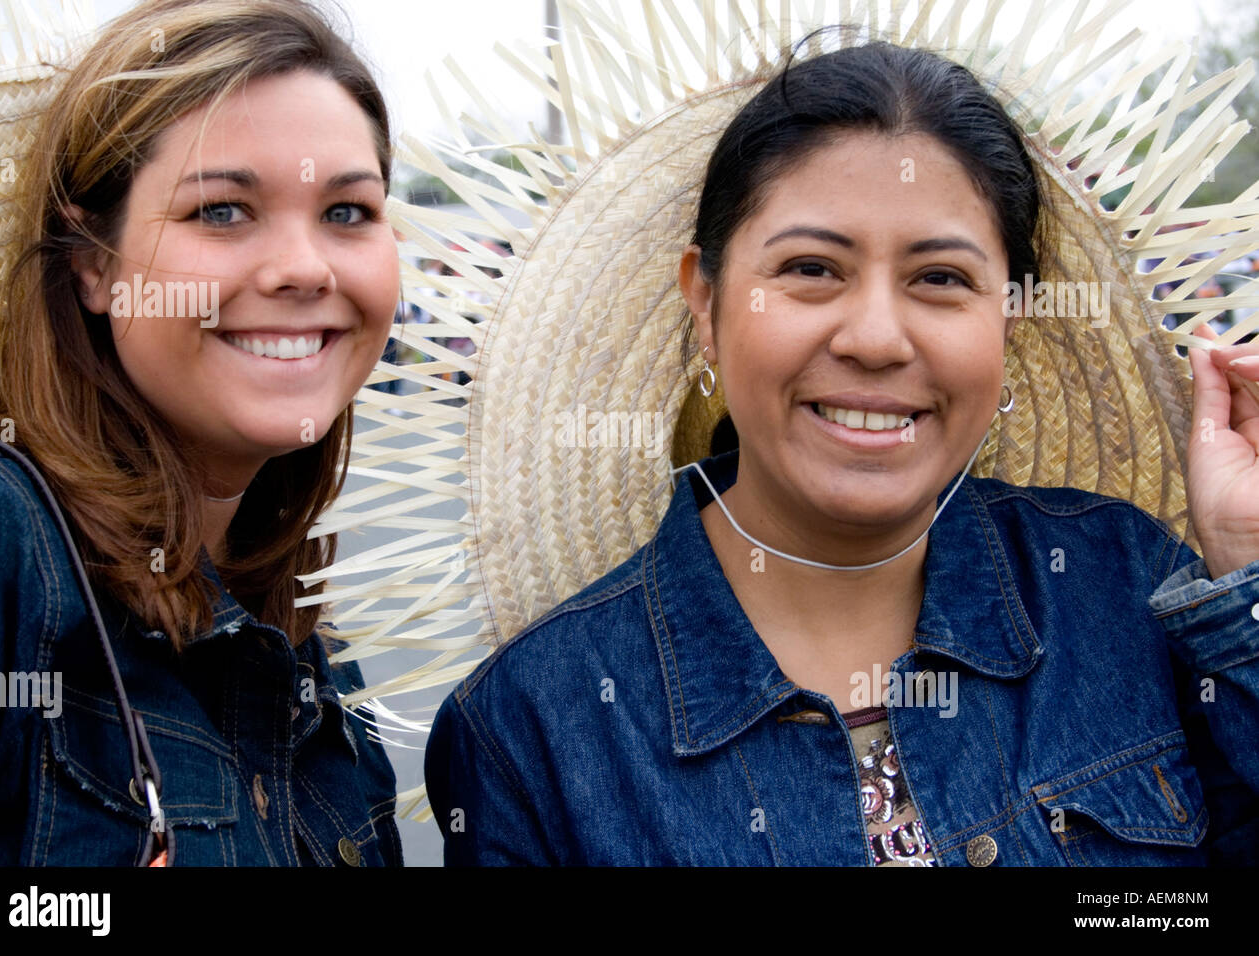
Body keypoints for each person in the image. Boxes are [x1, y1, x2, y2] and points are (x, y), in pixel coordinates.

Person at [422, 36, 1259, 865]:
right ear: (706, 305)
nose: (875, 339)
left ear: (1008, 320)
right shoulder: (529, 730)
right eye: (813, 268)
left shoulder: (1127, 590)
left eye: (940, 278)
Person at [0, 0, 404, 865]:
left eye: (347, 212)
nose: (305, 267)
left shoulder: (305, 640)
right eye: (222, 211)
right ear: (92, 263)